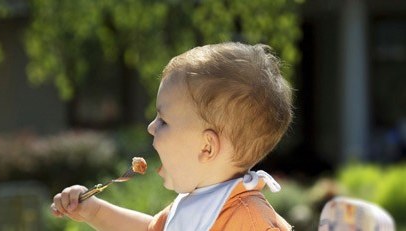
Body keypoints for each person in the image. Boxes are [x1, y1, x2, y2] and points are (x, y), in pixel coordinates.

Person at [51, 42, 294, 231]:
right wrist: (93, 212)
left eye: (163, 121)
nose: (150, 127)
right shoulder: (198, 203)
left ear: (206, 148)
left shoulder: (250, 220)